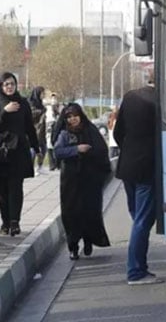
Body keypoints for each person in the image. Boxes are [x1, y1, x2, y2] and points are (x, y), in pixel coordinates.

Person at [113, 71, 162, 285]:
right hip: (147, 168)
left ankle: (139, 265)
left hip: (127, 167)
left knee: (137, 218)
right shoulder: (162, 102)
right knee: (142, 221)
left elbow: (117, 132)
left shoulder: (130, 96)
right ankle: (136, 271)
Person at [0, 72, 39, 236]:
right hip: (1, 151)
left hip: (19, 150)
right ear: (0, 86)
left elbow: (29, 126)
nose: (9, 87)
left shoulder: (22, 103)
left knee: (16, 187)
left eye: (12, 84)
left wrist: (36, 146)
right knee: (2, 189)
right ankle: (5, 222)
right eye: (6, 84)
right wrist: (5, 112)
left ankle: (15, 221)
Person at [54, 103, 111, 260]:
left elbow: (101, 151)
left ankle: (88, 240)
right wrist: (76, 150)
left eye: (75, 116)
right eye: (69, 117)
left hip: (90, 180)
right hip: (70, 181)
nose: (73, 119)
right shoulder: (65, 134)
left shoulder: (91, 131)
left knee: (90, 212)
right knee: (71, 213)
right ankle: (73, 246)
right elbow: (58, 151)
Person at [29, 86, 47, 175]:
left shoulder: (41, 104)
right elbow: (31, 115)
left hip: (41, 130)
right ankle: (30, 167)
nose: (43, 95)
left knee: (44, 149)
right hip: (34, 130)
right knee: (33, 150)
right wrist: (41, 111)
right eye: (42, 93)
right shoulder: (31, 103)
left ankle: (40, 166)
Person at [45, 93, 59, 171]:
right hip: (49, 127)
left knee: (55, 145)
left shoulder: (59, 108)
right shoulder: (48, 108)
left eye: (55, 98)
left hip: (56, 127)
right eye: (52, 97)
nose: (53, 99)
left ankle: (56, 163)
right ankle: (52, 164)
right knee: (49, 146)